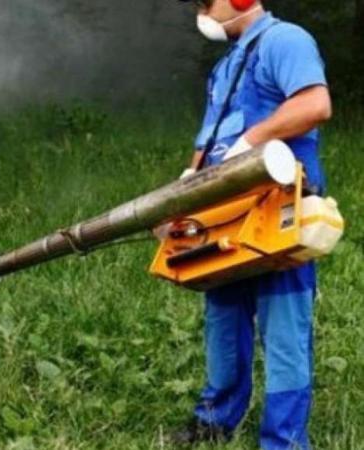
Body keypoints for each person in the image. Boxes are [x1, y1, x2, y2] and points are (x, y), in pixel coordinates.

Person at [172, 1, 332, 449]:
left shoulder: (285, 40)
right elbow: (210, 137)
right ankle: (214, 421)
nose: (202, 13)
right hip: (225, 214)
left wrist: (252, 140)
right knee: (222, 320)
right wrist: (188, 184)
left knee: (283, 331)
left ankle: (283, 440)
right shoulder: (225, 67)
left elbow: (315, 104)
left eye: (208, 3)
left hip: (277, 208)